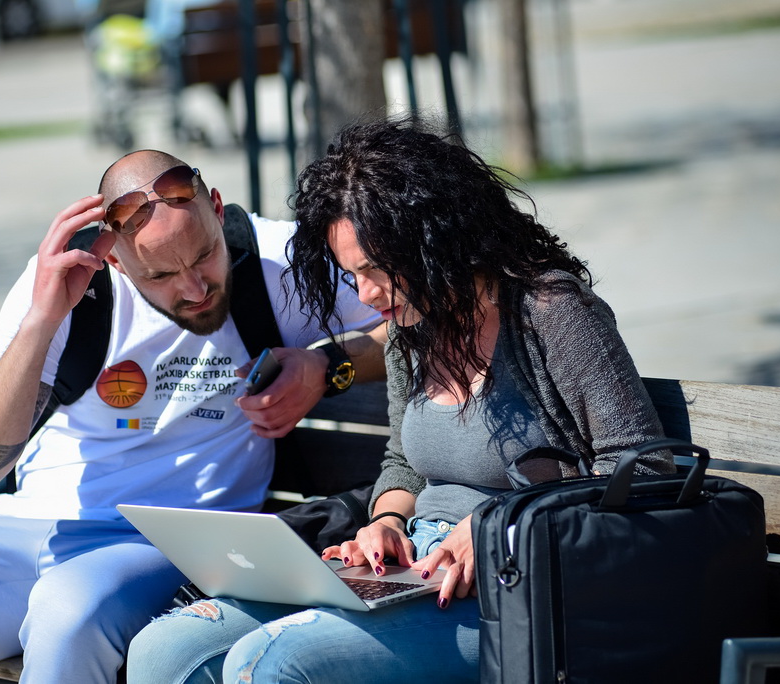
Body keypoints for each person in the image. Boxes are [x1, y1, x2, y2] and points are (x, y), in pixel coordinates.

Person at [125, 117, 675, 683]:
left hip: (522, 586)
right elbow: (404, 461)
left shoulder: (551, 311)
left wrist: (501, 526)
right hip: (415, 568)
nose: (366, 295)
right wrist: (385, 522)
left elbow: (645, 469)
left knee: (273, 663)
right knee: (164, 650)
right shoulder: (413, 328)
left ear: (435, 238)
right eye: (352, 274)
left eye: (376, 270)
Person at [0, 150, 387, 684]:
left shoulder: (276, 261)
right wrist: (43, 317)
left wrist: (329, 366)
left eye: (204, 256)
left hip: (178, 540)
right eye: (160, 276)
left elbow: (417, 319)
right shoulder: (68, 284)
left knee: (69, 610)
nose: (194, 288)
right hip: (30, 528)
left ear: (216, 208)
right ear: (114, 256)